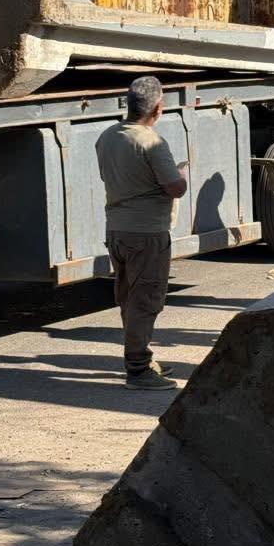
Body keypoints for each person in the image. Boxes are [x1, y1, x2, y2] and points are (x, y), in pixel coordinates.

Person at [95, 76, 188, 390]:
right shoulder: (151, 142)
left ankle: (141, 357)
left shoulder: (107, 136)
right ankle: (138, 368)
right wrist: (180, 174)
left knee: (129, 296)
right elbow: (175, 188)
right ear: (158, 108)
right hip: (147, 232)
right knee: (145, 299)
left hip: (117, 229)